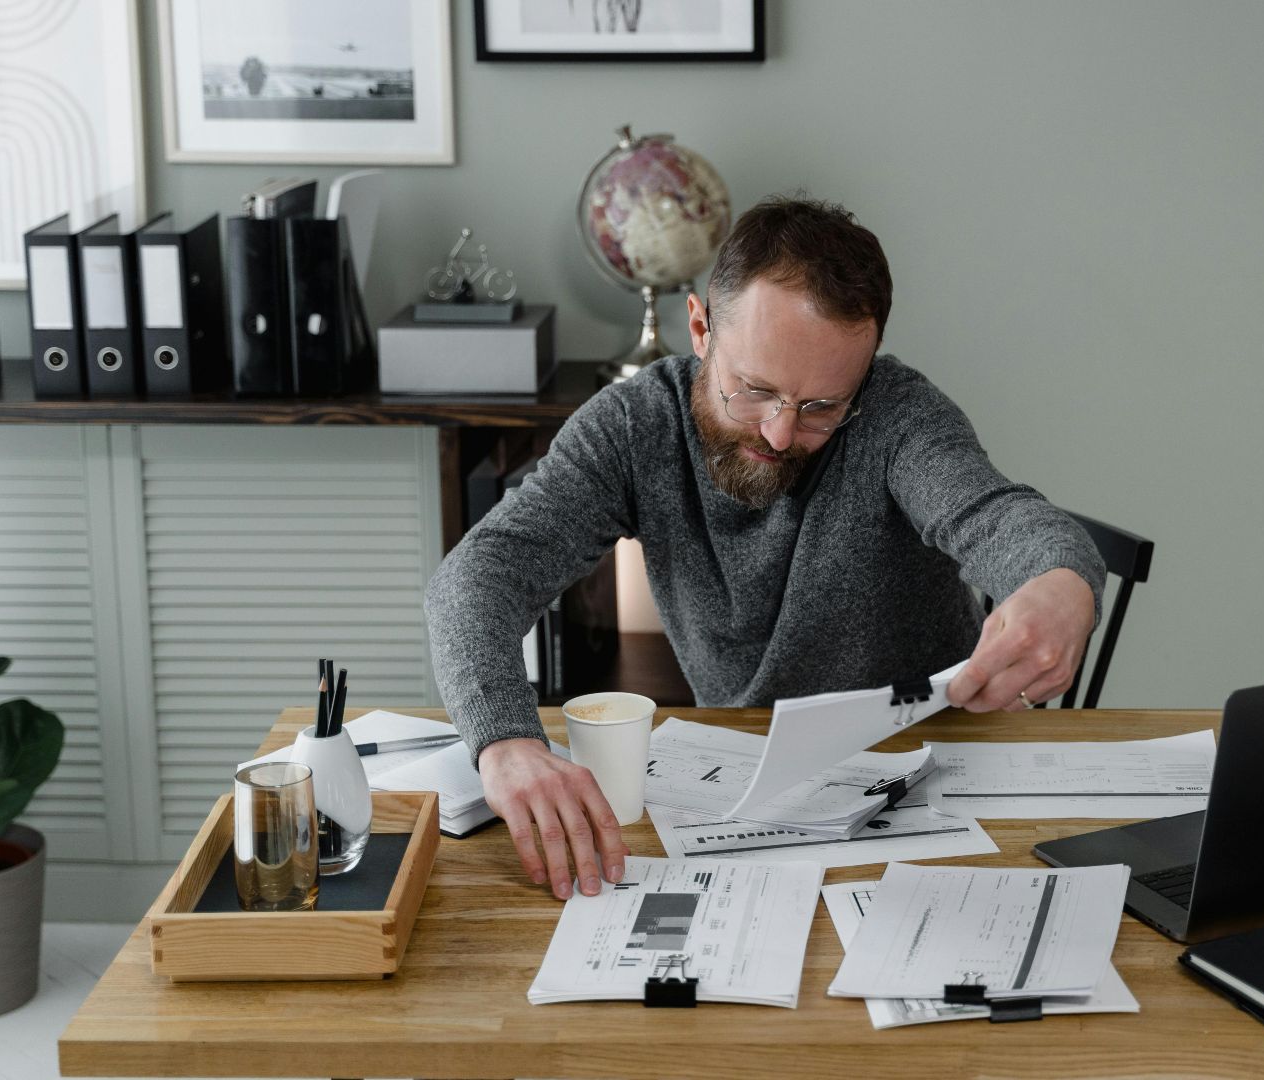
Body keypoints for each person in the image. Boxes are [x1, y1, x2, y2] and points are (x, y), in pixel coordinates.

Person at [425, 196, 1104, 901]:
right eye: (753, 390)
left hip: (931, 777)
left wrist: (1061, 583)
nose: (780, 434)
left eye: (820, 408)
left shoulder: (898, 416)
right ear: (699, 327)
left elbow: (1004, 519)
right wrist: (506, 741)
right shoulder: (633, 428)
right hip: (743, 782)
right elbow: (476, 579)